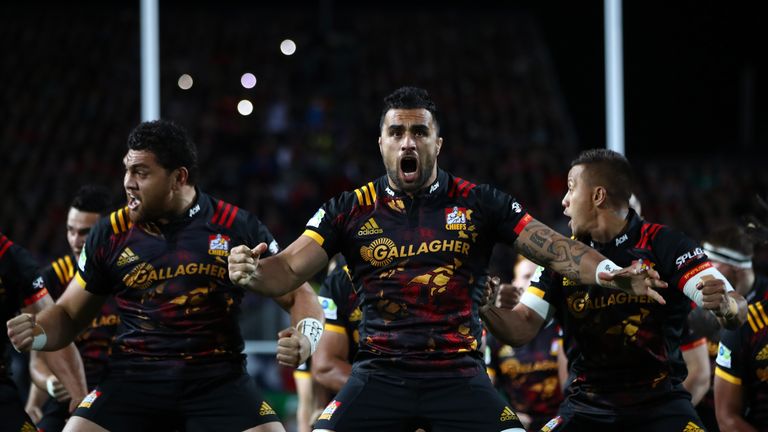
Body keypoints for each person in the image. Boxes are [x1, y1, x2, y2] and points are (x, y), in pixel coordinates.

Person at [228, 87, 665, 432]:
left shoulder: (480, 202)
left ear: (438, 143)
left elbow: (557, 248)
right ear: (381, 143)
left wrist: (610, 272)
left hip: (459, 374)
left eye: (419, 132)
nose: (407, 141)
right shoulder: (350, 208)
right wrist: (251, 270)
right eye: (396, 132)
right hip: (379, 374)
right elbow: (285, 269)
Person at [6, 120, 324, 432]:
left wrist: (306, 339)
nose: (128, 182)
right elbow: (69, 315)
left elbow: (300, 294)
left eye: (141, 172)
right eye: (126, 170)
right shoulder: (109, 233)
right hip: (132, 382)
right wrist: (38, 331)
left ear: (178, 178)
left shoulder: (235, 226)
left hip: (217, 383)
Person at [480, 148, 748, 431]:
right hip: (586, 408)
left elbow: (735, 307)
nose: (564, 202)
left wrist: (727, 306)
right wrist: (485, 307)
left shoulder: (665, 244)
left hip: (661, 406)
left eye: (571, 189)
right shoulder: (561, 258)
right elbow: (521, 328)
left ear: (598, 196)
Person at [25, 185, 115, 431]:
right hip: (69, 392)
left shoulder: (131, 272)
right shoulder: (52, 278)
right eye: (70, 230)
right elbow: (39, 360)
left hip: (120, 388)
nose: (75, 241)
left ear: (107, 231)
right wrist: (48, 388)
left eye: (85, 233)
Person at [1, 232, 87, 432]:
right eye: (72, 230)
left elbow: (49, 331)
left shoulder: (10, 258)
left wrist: (79, 400)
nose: (78, 241)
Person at [486, 256, 564, 430]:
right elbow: (486, 387)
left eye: (537, 278)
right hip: (517, 422)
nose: (534, 284)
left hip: (560, 420)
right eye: (527, 276)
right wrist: (511, 418)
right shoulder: (496, 335)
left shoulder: (562, 327)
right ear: (514, 283)